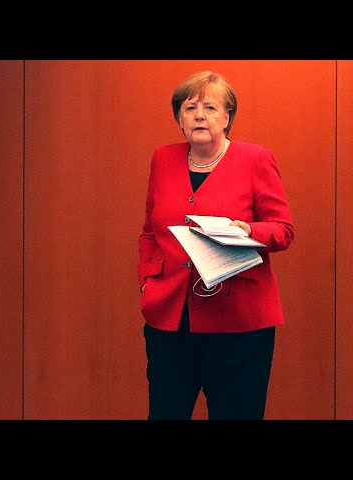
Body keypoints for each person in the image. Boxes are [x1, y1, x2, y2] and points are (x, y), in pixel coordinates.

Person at [137, 70, 295, 420]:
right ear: (179, 118)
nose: (199, 115)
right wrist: (147, 280)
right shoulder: (163, 158)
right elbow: (149, 232)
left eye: (210, 107)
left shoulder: (255, 159)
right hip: (171, 321)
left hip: (239, 324)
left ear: (227, 117)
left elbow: (283, 230)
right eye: (190, 107)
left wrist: (248, 230)